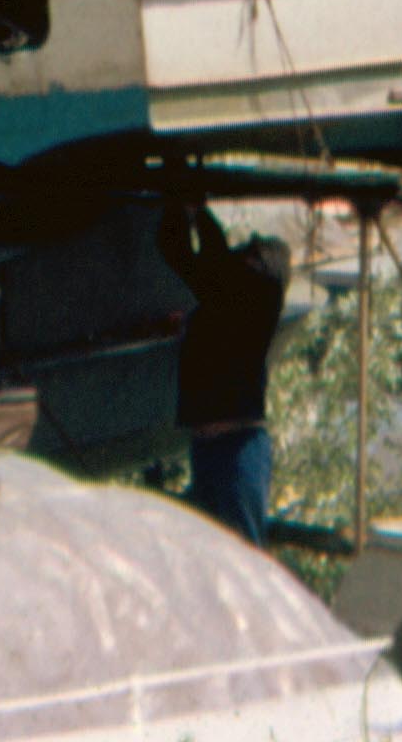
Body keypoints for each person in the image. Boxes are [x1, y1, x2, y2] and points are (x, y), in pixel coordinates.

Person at [158, 200, 291, 547]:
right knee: (213, 551)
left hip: (237, 448)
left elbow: (203, 258)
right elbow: (184, 254)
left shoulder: (259, 295)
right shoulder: (225, 298)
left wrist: (196, 213)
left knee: (242, 551)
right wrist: (192, 211)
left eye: (249, 254)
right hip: (210, 448)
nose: (240, 254)